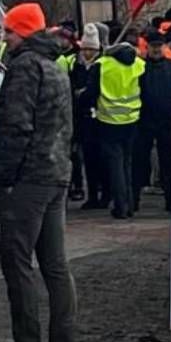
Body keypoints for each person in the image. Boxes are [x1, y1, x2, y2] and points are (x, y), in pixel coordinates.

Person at [0, 2, 77, 342]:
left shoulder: (25, 66)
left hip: (29, 177)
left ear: (23, 33)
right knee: (55, 265)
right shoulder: (56, 66)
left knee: (18, 263)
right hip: (56, 172)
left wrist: (2, 172)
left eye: (8, 32)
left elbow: (15, 126)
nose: (4, 38)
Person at [136, 29, 171, 210]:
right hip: (144, 121)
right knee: (139, 162)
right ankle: (133, 200)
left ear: (164, 47)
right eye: (152, 46)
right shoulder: (140, 67)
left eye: (158, 46)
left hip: (167, 121)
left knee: (169, 163)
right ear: (147, 48)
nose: (156, 49)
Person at [91, 30, 145, 219]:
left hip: (108, 121)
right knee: (127, 163)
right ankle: (129, 204)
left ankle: (121, 206)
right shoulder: (139, 64)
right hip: (132, 120)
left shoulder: (102, 65)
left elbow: (91, 93)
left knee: (115, 165)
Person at [70, 24, 104, 208]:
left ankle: (103, 193)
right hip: (82, 118)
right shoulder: (76, 65)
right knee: (88, 160)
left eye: (91, 49)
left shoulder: (101, 66)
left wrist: (83, 93)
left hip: (101, 118)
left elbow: (93, 92)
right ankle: (92, 195)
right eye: (85, 49)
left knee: (100, 159)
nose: (88, 53)